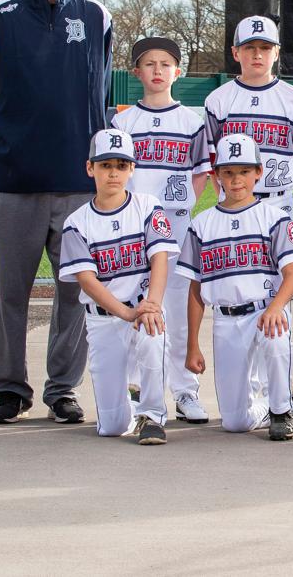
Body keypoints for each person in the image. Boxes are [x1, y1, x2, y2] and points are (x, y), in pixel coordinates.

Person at [0, 0, 113, 424]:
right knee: (10, 293)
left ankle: (62, 389)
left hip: (78, 183)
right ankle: (10, 389)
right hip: (15, 182)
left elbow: (98, 96)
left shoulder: (98, 16)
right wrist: (19, 139)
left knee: (74, 291)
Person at [179, 134, 293, 441]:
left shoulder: (274, 217)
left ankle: (281, 411)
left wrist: (276, 307)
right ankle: (272, 405)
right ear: (217, 176)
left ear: (258, 173)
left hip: (265, 310)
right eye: (229, 172)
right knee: (234, 423)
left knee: (276, 337)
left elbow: (292, 275)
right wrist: (192, 344)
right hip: (225, 319)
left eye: (244, 171)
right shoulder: (202, 224)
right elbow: (196, 289)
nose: (237, 179)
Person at [112, 37, 211, 424]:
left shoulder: (191, 122)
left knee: (177, 311)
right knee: (139, 310)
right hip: (133, 233)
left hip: (174, 231)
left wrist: (182, 206)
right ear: (137, 72)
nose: (157, 70)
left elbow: (201, 173)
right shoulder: (124, 121)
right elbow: (115, 173)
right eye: (149, 64)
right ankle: (139, 392)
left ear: (177, 72)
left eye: (165, 64)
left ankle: (185, 391)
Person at [57, 130, 179, 444]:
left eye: (122, 165)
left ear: (131, 169)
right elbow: (87, 280)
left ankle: (153, 416)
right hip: (105, 318)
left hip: (143, 307)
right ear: (90, 168)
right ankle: (132, 398)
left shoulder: (147, 206)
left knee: (153, 332)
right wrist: (126, 313)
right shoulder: (77, 222)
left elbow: (160, 259)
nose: (114, 172)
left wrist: (151, 304)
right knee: (112, 426)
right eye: (106, 164)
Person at [204, 16, 293, 218]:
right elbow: (212, 159)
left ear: (277, 52)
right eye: (249, 47)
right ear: (236, 52)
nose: (257, 54)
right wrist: (226, 196)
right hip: (232, 200)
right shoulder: (217, 100)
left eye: (265, 47)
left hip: (279, 202)